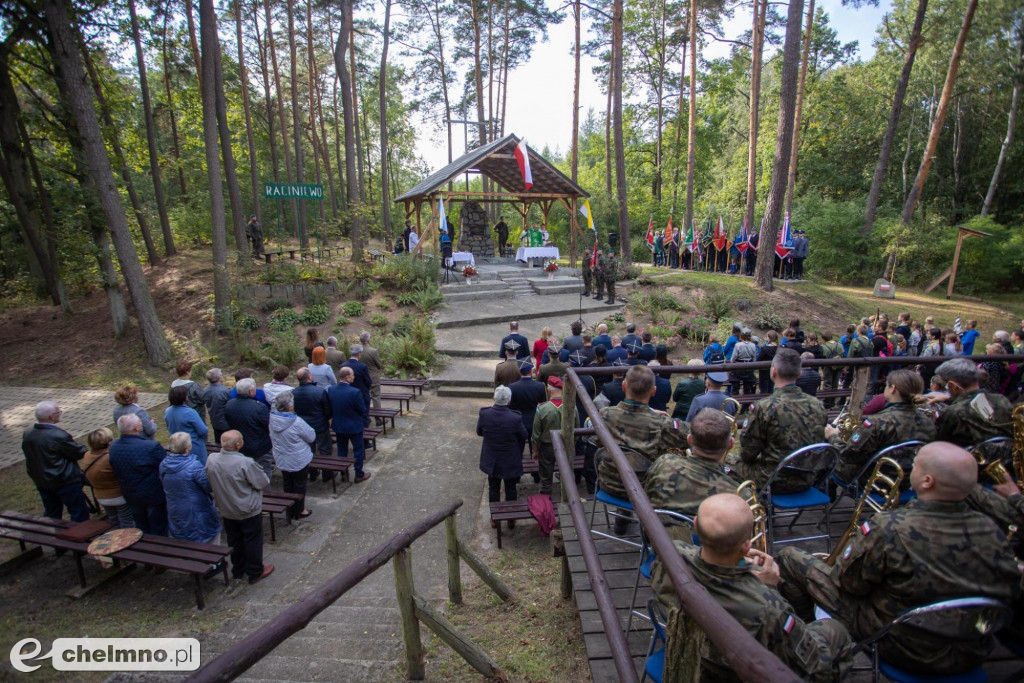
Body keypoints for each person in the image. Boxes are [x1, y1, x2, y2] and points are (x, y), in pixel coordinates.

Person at [776, 442, 1022, 677]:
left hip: (902, 645)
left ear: (927, 481)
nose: (911, 469)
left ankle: (812, 643)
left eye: (915, 466)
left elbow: (849, 584)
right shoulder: (992, 530)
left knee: (789, 558)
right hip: (971, 649)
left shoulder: (890, 528)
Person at [651, 494, 855, 681]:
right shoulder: (770, 608)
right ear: (747, 546)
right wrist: (768, 588)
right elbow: (813, 664)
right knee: (837, 630)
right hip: (737, 674)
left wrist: (740, 566)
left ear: (695, 525)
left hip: (690, 656)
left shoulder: (669, 555)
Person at [596, 366, 690, 534]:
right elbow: (689, 434)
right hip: (644, 489)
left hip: (608, 482)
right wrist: (653, 413)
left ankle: (622, 517)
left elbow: (596, 441)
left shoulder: (605, 415)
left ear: (624, 386)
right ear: (653, 391)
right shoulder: (662, 424)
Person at [734, 349, 827, 492]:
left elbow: (747, 453)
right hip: (808, 478)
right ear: (799, 374)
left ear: (773, 372)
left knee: (727, 462)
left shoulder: (764, 407)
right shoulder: (818, 405)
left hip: (772, 480)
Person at [827, 369, 936, 484]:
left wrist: (833, 436)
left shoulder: (878, 422)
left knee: (830, 458)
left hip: (876, 480)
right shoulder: (928, 419)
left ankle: (827, 490)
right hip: (911, 479)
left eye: (886, 385)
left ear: (893, 389)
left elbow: (848, 455)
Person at [645, 409, 740, 539]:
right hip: (709, 548)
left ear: (689, 440)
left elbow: (647, 497)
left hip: (658, 540)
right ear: (731, 444)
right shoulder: (738, 493)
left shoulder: (663, 463)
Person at [206, 430, 274, 584]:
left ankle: (238, 569)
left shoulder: (211, 459)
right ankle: (255, 571)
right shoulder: (245, 462)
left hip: (226, 507)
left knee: (234, 539)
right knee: (252, 539)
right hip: (246, 507)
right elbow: (262, 482)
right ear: (238, 444)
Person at [22, 401, 90, 523]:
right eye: (59, 412)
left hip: (42, 480)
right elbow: (78, 452)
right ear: (51, 417)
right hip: (64, 480)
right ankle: (80, 534)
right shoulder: (58, 435)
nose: (60, 414)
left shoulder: (28, 433)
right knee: (78, 512)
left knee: (51, 513)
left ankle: (51, 532)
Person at [934, 357, 1013, 448]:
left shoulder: (952, 412)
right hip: (1009, 454)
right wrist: (949, 399)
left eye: (945, 385)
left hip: (969, 456)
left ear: (952, 385)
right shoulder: (1001, 399)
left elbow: (938, 443)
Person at [109, 414, 168, 535]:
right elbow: (166, 464)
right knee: (158, 525)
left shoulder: (114, 447)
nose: (142, 423)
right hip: (152, 494)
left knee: (141, 525)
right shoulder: (150, 446)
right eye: (140, 422)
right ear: (136, 427)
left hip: (130, 494)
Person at [160, 432, 221, 547]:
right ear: (188, 447)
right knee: (208, 539)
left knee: (183, 538)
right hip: (197, 511)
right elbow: (208, 486)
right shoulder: (194, 466)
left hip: (175, 510)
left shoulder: (164, 464)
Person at [478, 385, 527, 526]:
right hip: (510, 458)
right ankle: (511, 517)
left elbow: (479, 432)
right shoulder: (515, 417)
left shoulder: (485, 414)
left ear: (494, 398)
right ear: (509, 400)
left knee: (493, 488)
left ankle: (494, 518)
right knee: (511, 488)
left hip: (491, 458)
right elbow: (524, 435)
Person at [269, 391, 315, 519]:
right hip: (298, 459)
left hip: (281, 457)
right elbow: (311, 437)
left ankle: (289, 508)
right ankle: (299, 510)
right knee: (300, 484)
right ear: (290, 406)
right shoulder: (296, 422)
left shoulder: (272, 420)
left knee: (287, 483)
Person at [224, 377, 275, 485]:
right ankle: (264, 492)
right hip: (260, 448)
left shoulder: (229, 405)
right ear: (251, 391)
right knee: (264, 473)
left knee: (245, 473)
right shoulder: (259, 407)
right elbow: (269, 426)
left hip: (240, 446)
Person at [532, 377, 577, 495]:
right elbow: (577, 429)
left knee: (546, 478)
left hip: (547, 447)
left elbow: (536, 434)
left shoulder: (542, 408)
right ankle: (568, 498)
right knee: (566, 475)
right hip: (566, 445)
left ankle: (546, 500)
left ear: (549, 390)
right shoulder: (572, 407)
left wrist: (535, 450)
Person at [81, 427, 134, 528]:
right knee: (127, 521)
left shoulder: (87, 455)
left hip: (101, 496)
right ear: (109, 442)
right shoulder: (111, 457)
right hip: (118, 496)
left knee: (112, 520)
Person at [329, 367, 371, 483]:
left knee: (342, 449)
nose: (354, 377)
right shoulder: (355, 392)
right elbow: (362, 409)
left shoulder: (331, 390)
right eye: (352, 375)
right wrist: (364, 420)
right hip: (354, 426)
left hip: (339, 425)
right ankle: (358, 474)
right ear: (347, 378)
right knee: (358, 449)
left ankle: (343, 472)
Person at [292, 367, 333, 482]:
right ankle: (326, 474)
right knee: (325, 449)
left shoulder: (293, 392)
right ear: (309, 377)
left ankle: (312, 473)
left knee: (309, 450)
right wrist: (328, 419)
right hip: (320, 425)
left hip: (303, 426)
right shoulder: (319, 391)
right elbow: (327, 410)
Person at [164, 385, 210, 465]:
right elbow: (203, 431)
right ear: (184, 398)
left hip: (176, 446)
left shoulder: (168, 411)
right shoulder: (190, 412)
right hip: (193, 447)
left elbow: (169, 427)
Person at [203, 368, 232, 444]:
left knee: (218, 441)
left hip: (215, 422)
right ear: (219, 378)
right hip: (227, 423)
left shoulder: (205, 390)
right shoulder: (226, 391)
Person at [342, 345, 373, 416]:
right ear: (359, 353)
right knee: (363, 416)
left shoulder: (343, 366)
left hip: (347, 394)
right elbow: (368, 381)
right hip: (361, 394)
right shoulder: (362, 366)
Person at [359, 332, 384, 411]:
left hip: (362, 377)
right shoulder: (373, 351)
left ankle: (364, 414)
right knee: (376, 396)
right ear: (368, 340)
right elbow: (379, 364)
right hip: (373, 377)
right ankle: (378, 416)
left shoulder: (357, 351)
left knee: (363, 396)